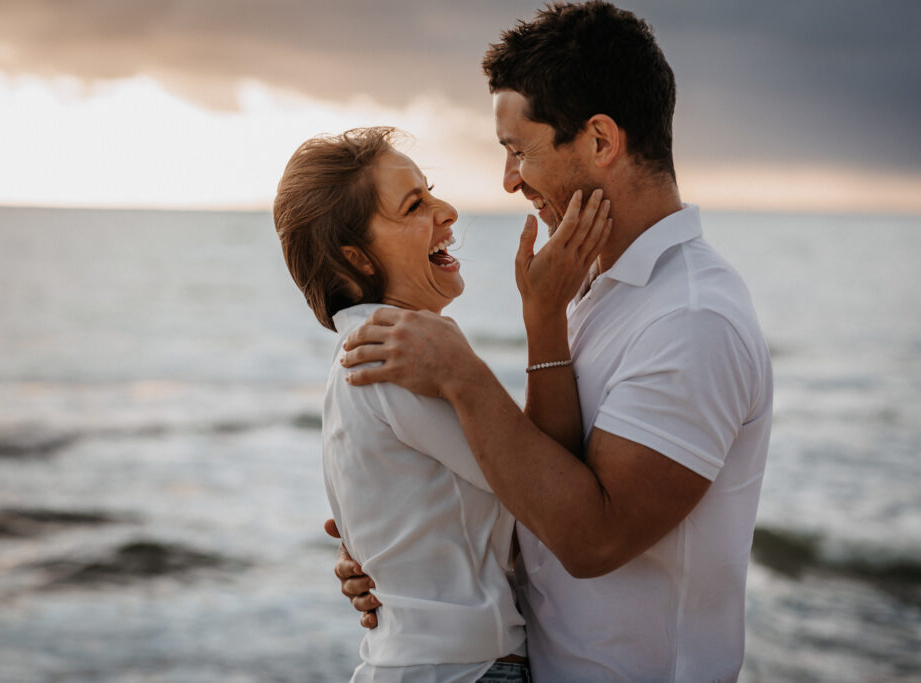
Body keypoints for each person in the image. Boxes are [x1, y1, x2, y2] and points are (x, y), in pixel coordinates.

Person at [332, 2, 773, 681]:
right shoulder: (597, 292)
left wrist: (464, 376)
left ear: (600, 141)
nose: (509, 180)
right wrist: (410, 549)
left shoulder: (691, 319)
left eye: (518, 150)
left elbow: (591, 538)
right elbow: (537, 488)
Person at [274, 127, 610, 682]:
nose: (447, 210)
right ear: (357, 259)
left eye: (430, 191)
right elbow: (548, 488)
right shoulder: (393, 358)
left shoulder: (371, 353)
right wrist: (544, 314)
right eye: (415, 205)